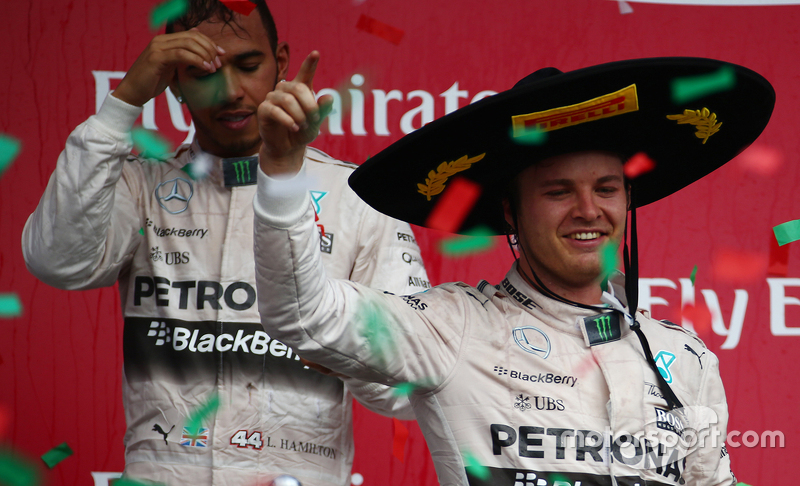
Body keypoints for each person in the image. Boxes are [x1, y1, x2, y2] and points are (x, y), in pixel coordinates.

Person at [251, 57, 775, 485]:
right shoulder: (451, 328)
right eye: (557, 191)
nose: (589, 210)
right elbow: (304, 314)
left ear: (628, 198)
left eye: (607, 188)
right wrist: (281, 171)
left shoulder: (686, 358)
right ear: (510, 211)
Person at [22, 0, 429, 486]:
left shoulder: (359, 197)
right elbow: (57, 261)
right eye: (202, 73)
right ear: (171, 82)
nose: (231, 90)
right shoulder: (140, 186)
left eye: (248, 64)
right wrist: (123, 102)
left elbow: (411, 387)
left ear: (281, 61)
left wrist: (334, 341)